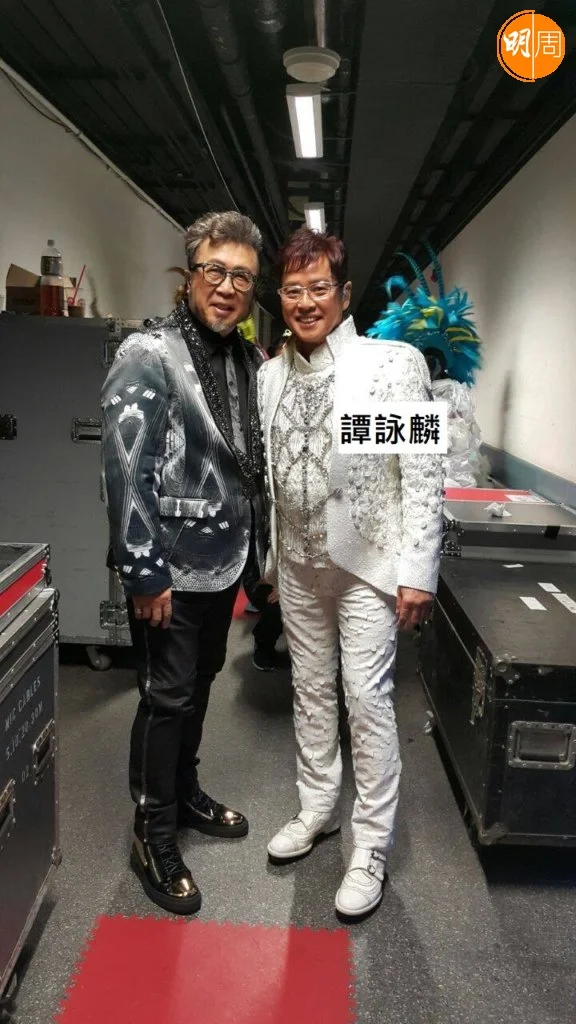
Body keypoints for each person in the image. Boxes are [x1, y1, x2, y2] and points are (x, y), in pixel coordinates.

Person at [258, 228, 444, 918]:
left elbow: (419, 473)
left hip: (367, 563)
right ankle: (317, 808)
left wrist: (418, 569)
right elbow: (274, 475)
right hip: (298, 563)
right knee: (310, 692)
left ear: (342, 293)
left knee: (365, 700)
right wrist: (272, 559)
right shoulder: (270, 376)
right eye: (293, 289)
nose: (306, 302)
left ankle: (370, 844)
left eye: (318, 288)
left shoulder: (387, 365)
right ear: (280, 297)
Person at [101, 211, 266, 915]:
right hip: (167, 568)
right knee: (165, 698)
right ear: (189, 273)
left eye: (243, 278)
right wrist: (142, 570)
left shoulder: (246, 360)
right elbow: (125, 466)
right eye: (216, 271)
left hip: (224, 561)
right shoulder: (149, 352)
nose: (228, 287)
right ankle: (153, 831)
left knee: (197, 687)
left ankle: (184, 790)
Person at [367, 245, 487, 488]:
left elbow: (462, 448)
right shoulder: (399, 393)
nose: (428, 366)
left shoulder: (453, 393)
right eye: (423, 359)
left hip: (449, 485)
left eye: (433, 359)